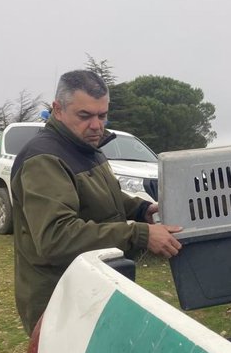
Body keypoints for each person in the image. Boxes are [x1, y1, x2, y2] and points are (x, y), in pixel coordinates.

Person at [11, 70, 182, 335]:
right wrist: (139, 235)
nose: (96, 125)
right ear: (58, 109)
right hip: (60, 300)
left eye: (102, 115)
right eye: (85, 115)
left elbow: (100, 194)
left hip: (92, 288)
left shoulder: (84, 146)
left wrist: (140, 210)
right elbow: (56, 237)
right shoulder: (44, 159)